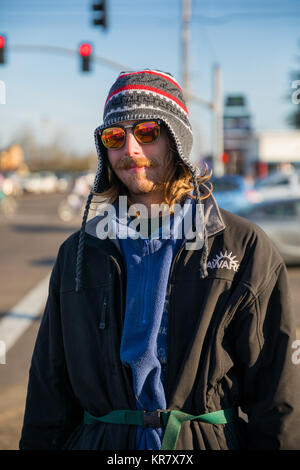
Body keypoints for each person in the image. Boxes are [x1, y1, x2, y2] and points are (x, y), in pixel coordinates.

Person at [19, 69, 300, 450]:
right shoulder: (79, 252)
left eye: (147, 132)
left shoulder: (243, 247)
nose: (130, 149)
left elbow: (279, 397)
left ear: (176, 139)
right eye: (115, 137)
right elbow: (47, 389)